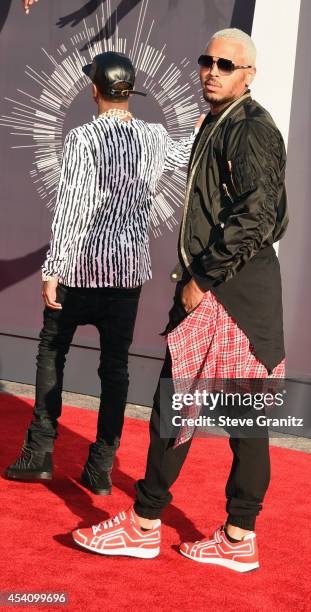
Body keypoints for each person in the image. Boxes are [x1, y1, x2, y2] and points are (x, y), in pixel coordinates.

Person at [72, 28, 288, 572]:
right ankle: (236, 538)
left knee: (198, 411)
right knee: (224, 413)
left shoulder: (251, 128)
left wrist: (201, 279)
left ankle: (148, 526)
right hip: (236, 289)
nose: (212, 70)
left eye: (226, 63)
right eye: (207, 60)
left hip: (226, 291)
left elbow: (260, 216)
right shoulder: (220, 123)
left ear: (248, 74)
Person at [5, 51, 201, 495]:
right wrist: (201, 125)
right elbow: (188, 149)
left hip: (78, 269)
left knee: (51, 353)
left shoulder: (82, 138)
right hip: (127, 275)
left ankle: (39, 452)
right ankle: (100, 467)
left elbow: (73, 208)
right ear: (129, 92)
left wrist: (52, 268)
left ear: (94, 89)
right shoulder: (154, 137)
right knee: (115, 370)